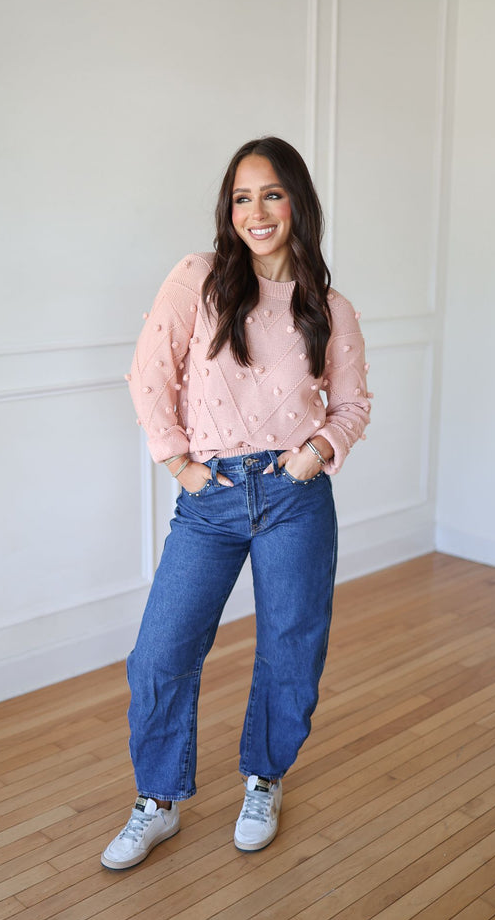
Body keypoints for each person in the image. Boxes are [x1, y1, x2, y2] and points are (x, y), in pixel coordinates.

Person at [102, 136, 372, 870]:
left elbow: (350, 406)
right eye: (243, 197)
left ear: (298, 205)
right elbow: (148, 373)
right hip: (211, 497)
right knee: (161, 654)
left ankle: (265, 778)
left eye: (273, 194)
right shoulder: (198, 279)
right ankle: (156, 802)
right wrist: (179, 463)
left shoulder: (329, 306)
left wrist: (314, 454)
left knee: (291, 649)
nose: (257, 211)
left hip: (295, 498)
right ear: (230, 209)